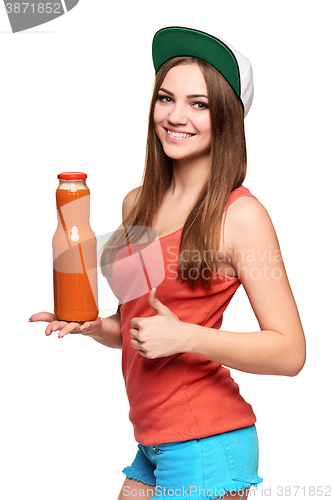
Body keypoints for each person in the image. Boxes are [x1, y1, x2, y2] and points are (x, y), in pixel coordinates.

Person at [29, 27, 306, 500]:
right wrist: (94, 326)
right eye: (166, 98)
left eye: (198, 104)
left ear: (227, 118)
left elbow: (290, 352)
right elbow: (140, 325)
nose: (176, 116)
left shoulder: (240, 216)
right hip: (153, 441)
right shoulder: (137, 203)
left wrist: (187, 337)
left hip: (208, 441)